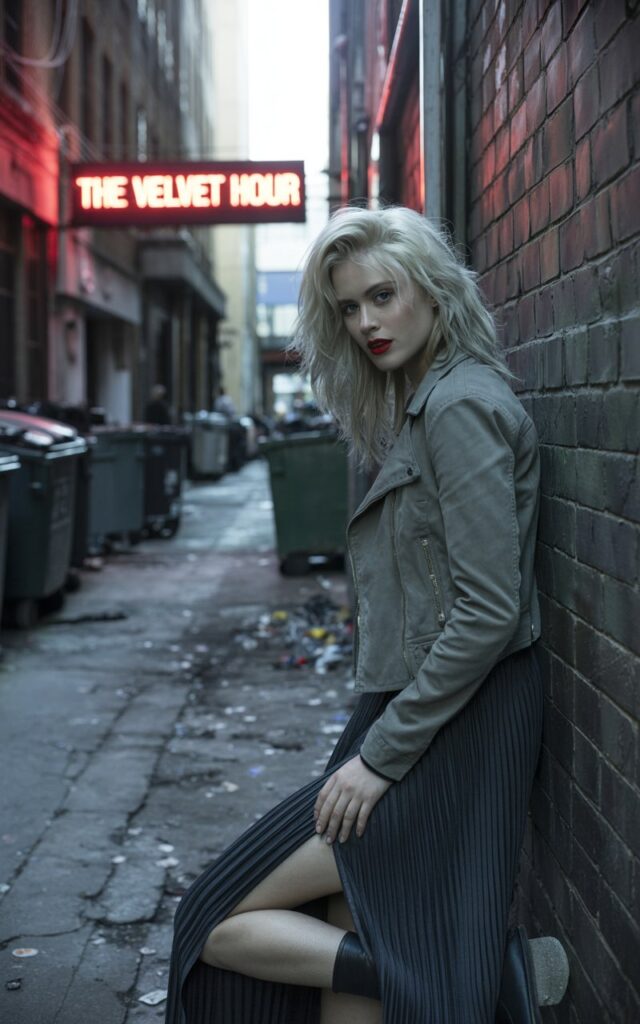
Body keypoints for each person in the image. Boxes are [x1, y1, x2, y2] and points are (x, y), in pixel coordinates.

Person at [164, 206, 548, 1024]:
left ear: (434, 290)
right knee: (357, 922)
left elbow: (488, 611)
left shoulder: (458, 409)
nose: (366, 322)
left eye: (383, 295)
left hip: (452, 728)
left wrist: (378, 759)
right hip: (411, 713)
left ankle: (447, 986)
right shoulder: (422, 406)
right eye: (347, 307)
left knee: (213, 919)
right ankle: (436, 979)